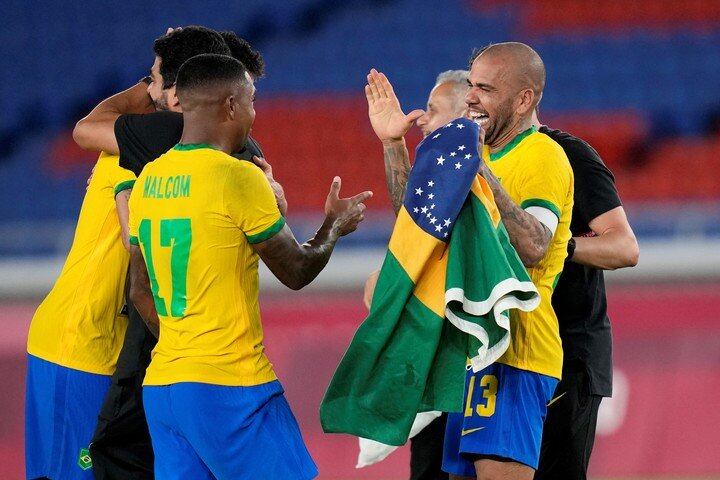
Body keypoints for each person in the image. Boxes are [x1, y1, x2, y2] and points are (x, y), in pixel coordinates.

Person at [126, 53, 370, 479]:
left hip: (165, 388)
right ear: (231, 106)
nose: (255, 114)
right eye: (252, 101)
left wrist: (187, 350)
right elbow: (296, 270)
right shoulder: (236, 176)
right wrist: (333, 225)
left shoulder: (148, 179)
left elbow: (139, 290)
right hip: (229, 386)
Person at [73, 26, 278, 479]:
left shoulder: (164, 131)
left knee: (119, 446)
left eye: (154, 78)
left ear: (178, 93)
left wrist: (145, 89)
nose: (149, 87)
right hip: (226, 338)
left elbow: (85, 130)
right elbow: (289, 259)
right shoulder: (246, 151)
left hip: (165, 333)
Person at [363, 68, 469, 480]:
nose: (421, 118)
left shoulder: (486, 174)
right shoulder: (445, 175)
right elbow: (416, 223)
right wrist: (392, 143)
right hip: (436, 366)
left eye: (432, 109)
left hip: (476, 368)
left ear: (468, 114)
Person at [534, 112, 639, 480]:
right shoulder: (478, 158)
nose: (473, 99)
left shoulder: (568, 154)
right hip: (502, 352)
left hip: (568, 354)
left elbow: (625, 247)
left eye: (485, 87)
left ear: (523, 96)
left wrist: (555, 245)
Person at [25, 138, 135, 479]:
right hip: (76, 344)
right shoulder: (130, 155)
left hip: (106, 349)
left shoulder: (170, 159)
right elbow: (87, 126)